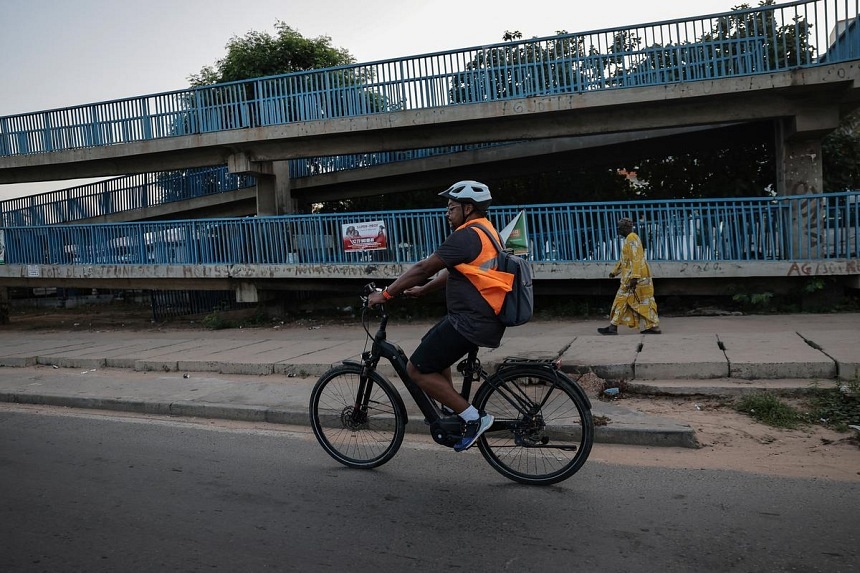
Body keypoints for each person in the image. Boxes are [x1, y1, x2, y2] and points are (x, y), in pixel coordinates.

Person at [366, 180, 509, 452]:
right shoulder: (487, 231)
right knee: (430, 342)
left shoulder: (466, 235)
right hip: (479, 317)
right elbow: (455, 271)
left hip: (471, 321)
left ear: (468, 209)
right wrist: (424, 290)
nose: (447, 212)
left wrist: (386, 294)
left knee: (416, 370)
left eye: (451, 207)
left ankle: (473, 418)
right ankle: (452, 403)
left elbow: (423, 267)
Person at [598, 217, 662, 335]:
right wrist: (615, 271)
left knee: (631, 300)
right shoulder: (630, 238)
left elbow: (636, 259)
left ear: (626, 228)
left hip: (636, 277)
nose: (619, 230)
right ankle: (614, 326)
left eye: (620, 228)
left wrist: (635, 277)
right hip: (635, 276)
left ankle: (614, 327)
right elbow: (625, 260)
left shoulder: (631, 238)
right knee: (637, 300)